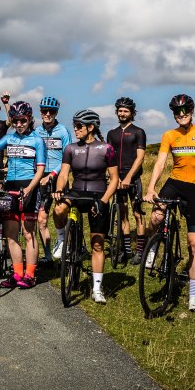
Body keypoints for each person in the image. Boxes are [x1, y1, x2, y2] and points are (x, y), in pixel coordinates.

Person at [144, 94, 195, 313]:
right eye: (177, 112)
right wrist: (151, 187)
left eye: (185, 111)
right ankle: (153, 247)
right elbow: (160, 163)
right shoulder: (169, 135)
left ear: (192, 112)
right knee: (157, 214)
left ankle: (194, 296)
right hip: (174, 183)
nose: (182, 115)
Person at [52, 109, 119, 303]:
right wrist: (59, 190)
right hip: (76, 192)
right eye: (75, 125)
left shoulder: (107, 148)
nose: (76, 129)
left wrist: (104, 201)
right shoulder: (71, 149)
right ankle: (62, 239)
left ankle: (97, 288)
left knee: (97, 244)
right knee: (59, 209)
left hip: (99, 195)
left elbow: (114, 179)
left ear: (91, 127)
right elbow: (64, 174)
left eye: (79, 126)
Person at [0, 101, 46, 288]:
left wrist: (30, 189)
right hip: (11, 185)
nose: (19, 124)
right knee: (11, 234)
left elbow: (41, 170)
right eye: (15, 121)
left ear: (29, 119)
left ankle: (30, 274)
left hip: (29, 187)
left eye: (23, 120)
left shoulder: (37, 140)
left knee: (29, 234)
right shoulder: (9, 138)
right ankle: (18, 274)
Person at [106, 97, 147, 264]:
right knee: (122, 215)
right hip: (118, 178)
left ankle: (140, 251)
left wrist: (129, 177)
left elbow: (140, 158)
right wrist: (111, 175)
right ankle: (126, 250)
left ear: (132, 113)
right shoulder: (112, 133)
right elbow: (108, 157)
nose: (123, 114)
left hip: (133, 178)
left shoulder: (138, 132)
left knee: (138, 214)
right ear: (117, 112)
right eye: (120, 111)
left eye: (126, 111)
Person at [34, 96, 72, 263]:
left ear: (57, 113)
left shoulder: (63, 131)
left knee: (60, 212)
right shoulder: (37, 131)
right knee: (41, 219)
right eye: (44, 110)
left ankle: (64, 242)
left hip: (59, 176)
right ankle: (48, 256)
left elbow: (67, 159)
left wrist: (52, 175)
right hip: (42, 176)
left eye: (52, 111)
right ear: (40, 112)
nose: (48, 113)